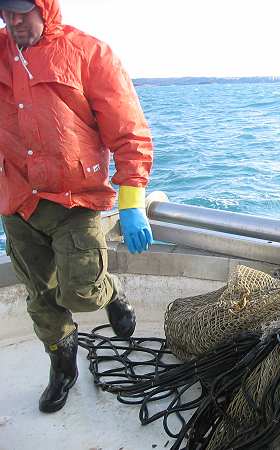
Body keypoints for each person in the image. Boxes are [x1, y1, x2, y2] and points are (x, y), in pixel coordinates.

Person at [0, 0, 153, 414]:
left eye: (20, 9)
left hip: (77, 200)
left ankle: (111, 293)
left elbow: (130, 132)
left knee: (82, 293)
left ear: (43, 7)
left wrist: (132, 202)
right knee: (41, 297)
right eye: (3, 10)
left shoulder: (90, 52)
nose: (12, 19)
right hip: (18, 203)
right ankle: (62, 367)